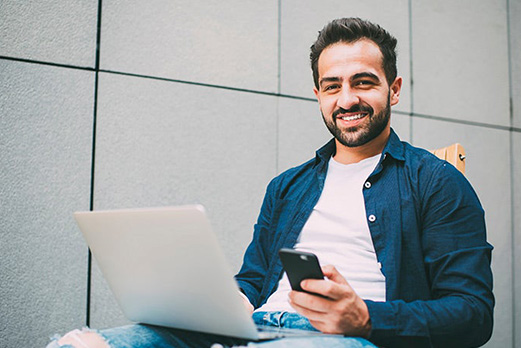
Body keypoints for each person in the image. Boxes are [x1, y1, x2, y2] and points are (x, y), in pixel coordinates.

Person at [49, 17, 494, 348]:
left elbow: (473, 315)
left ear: (393, 89)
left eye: (364, 82)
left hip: (345, 339)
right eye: (331, 85)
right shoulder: (288, 187)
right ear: (318, 93)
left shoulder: (435, 182)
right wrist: (229, 302)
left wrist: (364, 318)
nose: (347, 99)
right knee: (87, 346)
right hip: (255, 329)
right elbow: (253, 279)